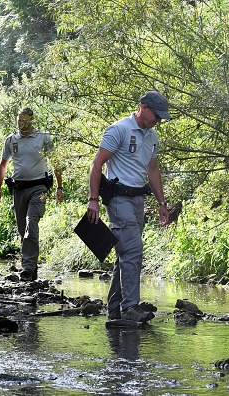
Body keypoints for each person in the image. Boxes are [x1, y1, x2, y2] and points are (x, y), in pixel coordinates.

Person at [87, 91, 171, 323]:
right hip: (117, 199)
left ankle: (115, 309)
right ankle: (130, 307)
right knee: (133, 251)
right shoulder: (119, 130)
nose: (159, 120)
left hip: (137, 201)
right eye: (157, 115)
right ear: (143, 107)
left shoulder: (152, 136)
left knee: (125, 254)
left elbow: (152, 170)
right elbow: (97, 164)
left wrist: (162, 203)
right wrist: (93, 200)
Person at [0, 107, 64, 281]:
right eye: (19, 121)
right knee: (22, 230)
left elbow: (56, 162)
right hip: (19, 190)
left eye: (24, 121)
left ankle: (27, 266)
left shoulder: (43, 138)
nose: (21, 124)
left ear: (32, 121)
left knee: (31, 222)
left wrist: (59, 187)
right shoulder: (11, 140)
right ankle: (31, 270)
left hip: (39, 188)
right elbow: (3, 166)